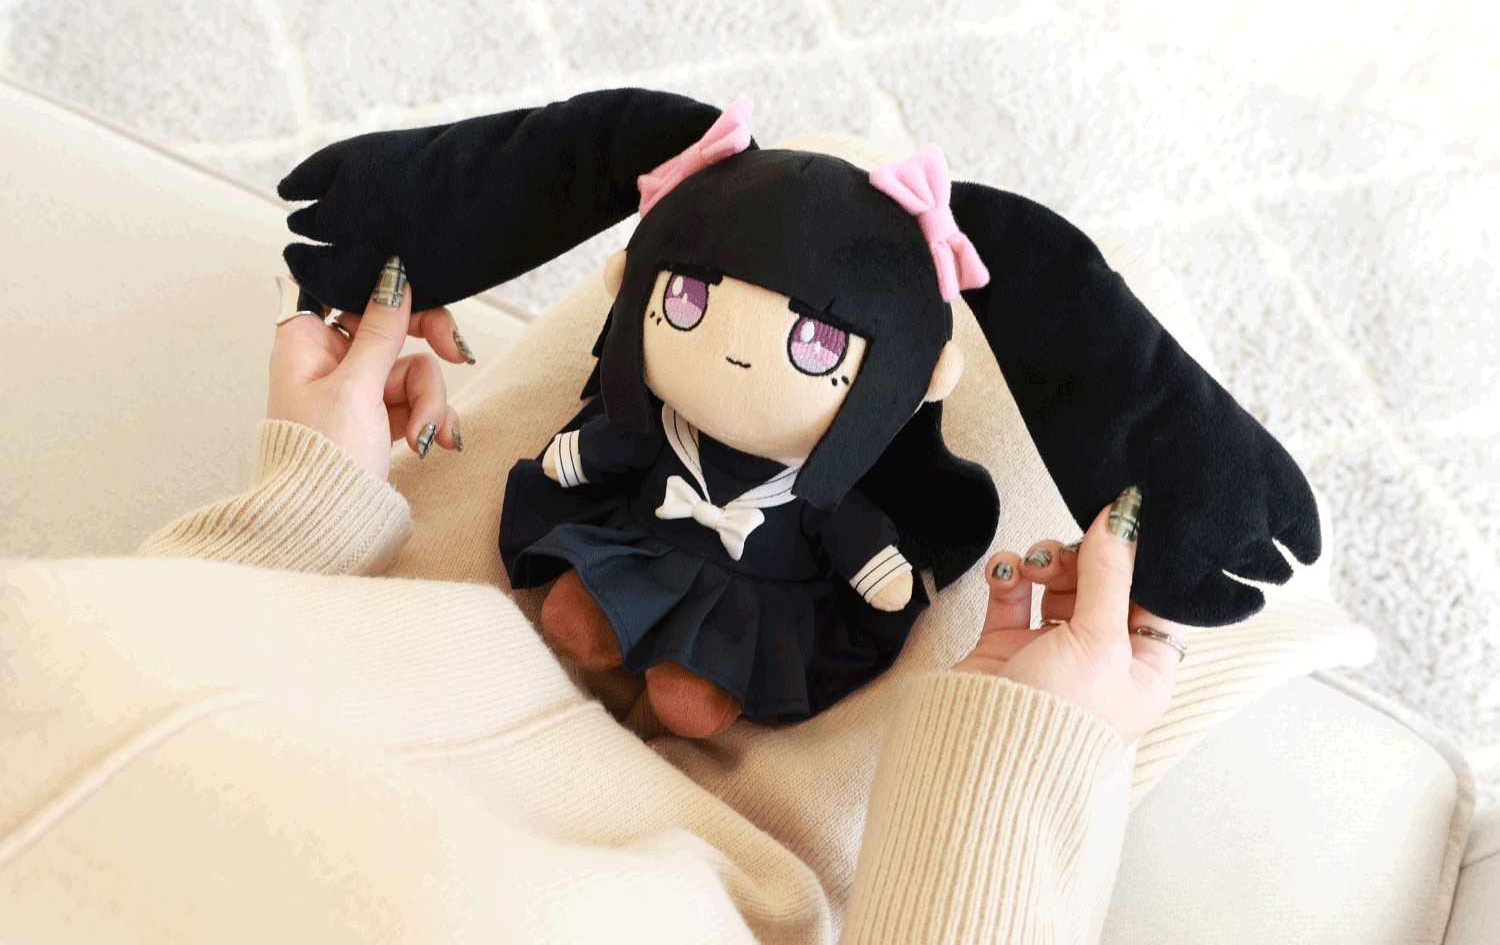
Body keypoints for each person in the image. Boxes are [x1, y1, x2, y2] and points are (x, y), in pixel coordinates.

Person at [137, 270, 1186, 942]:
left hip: (370, 651)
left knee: (794, 237)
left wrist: (303, 502)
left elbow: (115, 665)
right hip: (739, 875)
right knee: (1113, 351)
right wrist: (1018, 766)